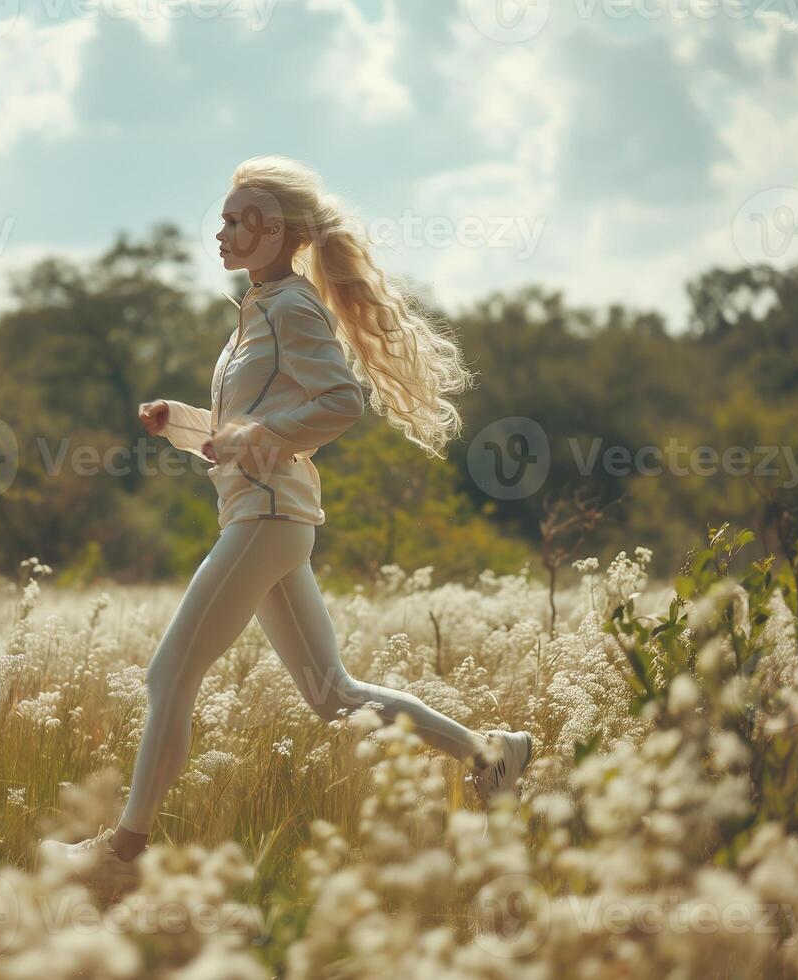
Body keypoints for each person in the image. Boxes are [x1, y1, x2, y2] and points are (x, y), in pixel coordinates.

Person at [41, 156, 533, 891]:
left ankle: (123, 853)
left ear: (280, 234)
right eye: (226, 217)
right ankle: (491, 757)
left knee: (169, 674)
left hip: (267, 518)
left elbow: (336, 402)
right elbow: (239, 433)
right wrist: (179, 423)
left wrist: (258, 436)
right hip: (261, 512)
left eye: (242, 220)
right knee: (334, 694)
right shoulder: (255, 314)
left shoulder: (292, 308)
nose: (224, 230)